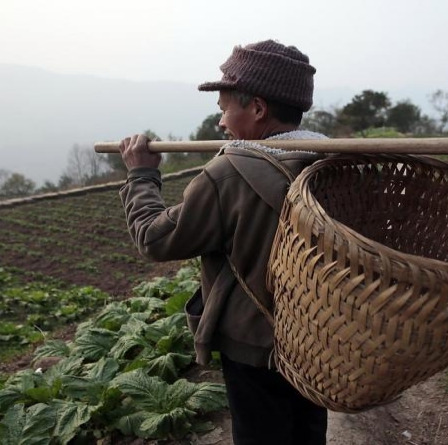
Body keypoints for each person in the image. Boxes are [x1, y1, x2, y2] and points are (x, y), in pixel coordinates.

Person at [117, 40, 328, 445]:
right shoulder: (326, 160)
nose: (220, 123)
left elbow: (154, 240)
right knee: (307, 431)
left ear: (258, 109)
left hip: (254, 346)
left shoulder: (229, 174)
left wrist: (141, 176)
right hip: (314, 334)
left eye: (224, 109)